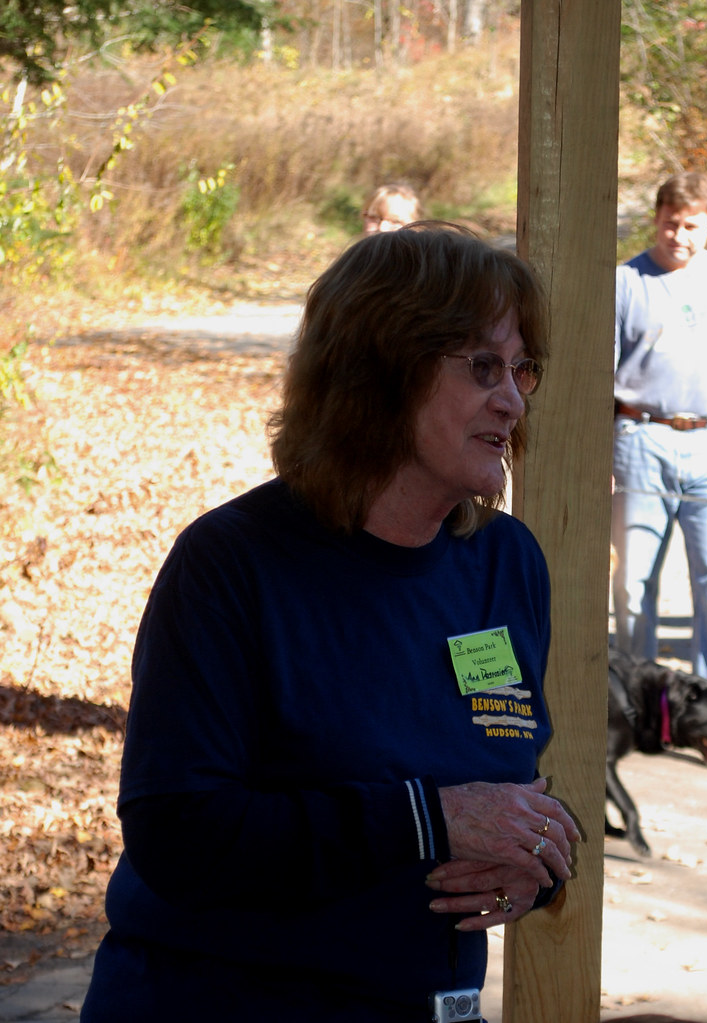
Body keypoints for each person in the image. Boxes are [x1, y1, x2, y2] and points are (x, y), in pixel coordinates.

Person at [80, 224, 580, 1023]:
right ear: (382, 371)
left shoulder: (505, 562)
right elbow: (176, 832)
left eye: (523, 369)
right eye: (483, 365)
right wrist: (428, 819)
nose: (513, 398)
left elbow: (506, 787)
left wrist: (536, 858)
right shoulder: (232, 564)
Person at [612, 171, 707, 720]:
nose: (679, 236)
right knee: (633, 585)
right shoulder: (625, 282)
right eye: (670, 224)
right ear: (656, 220)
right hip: (640, 439)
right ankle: (633, 709)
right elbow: (602, 371)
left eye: (692, 226)